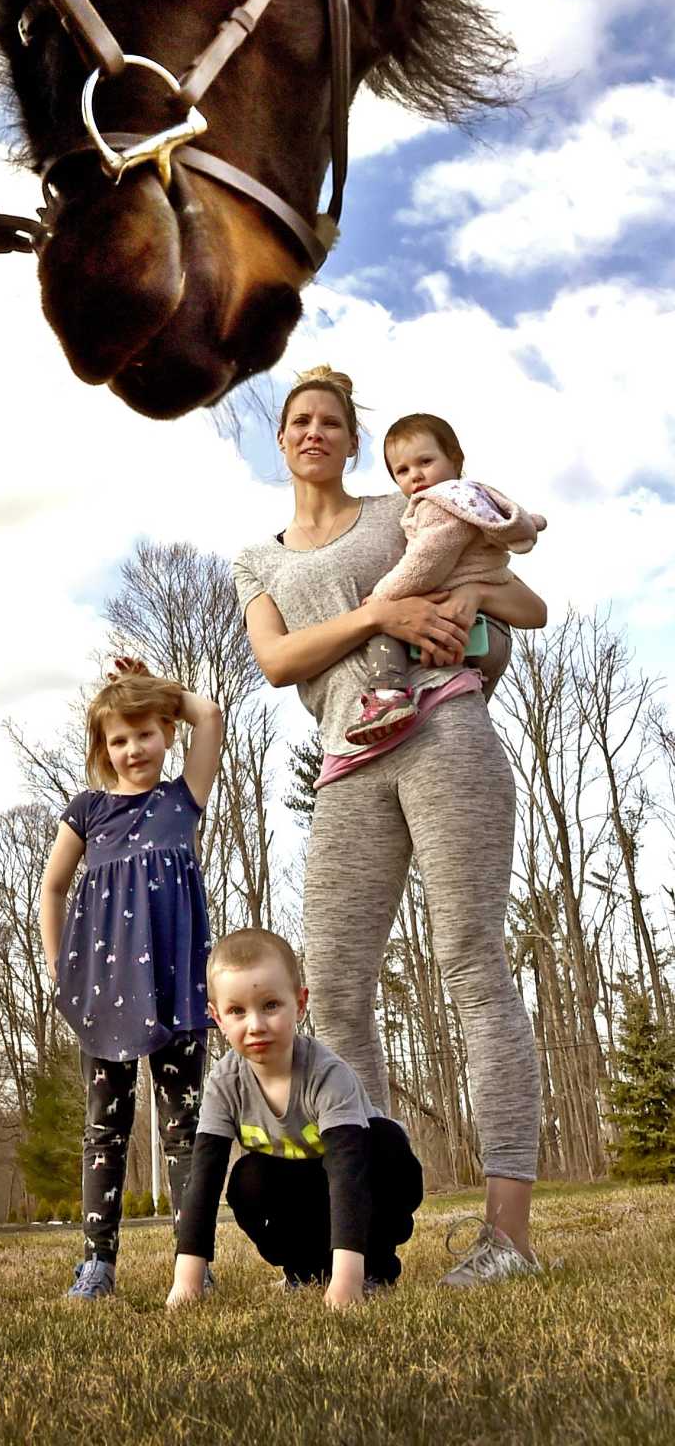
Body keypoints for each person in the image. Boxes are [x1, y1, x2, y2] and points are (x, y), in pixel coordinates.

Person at [234, 366, 546, 1286]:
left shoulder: (402, 511)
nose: (314, 431)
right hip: (346, 760)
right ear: (280, 438)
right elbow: (276, 661)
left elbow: (524, 602)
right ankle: (362, 1241)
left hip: (442, 731)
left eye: (331, 421)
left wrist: (471, 600)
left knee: (470, 961)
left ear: (351, 440)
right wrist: (378, 610)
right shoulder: (259, 560)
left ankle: (508, 1237)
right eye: (299, 419)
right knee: (332, 991)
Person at [39, 668, 223, 1301]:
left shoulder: (182, 800)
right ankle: (97, 1264)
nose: (134, 749)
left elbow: (211, 716)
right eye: (118, 739)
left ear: (167, 732)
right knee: (104, 1130)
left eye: (145, 733)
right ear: (102, 748)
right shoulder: (88, 812)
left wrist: (159, 690)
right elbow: (53, 887)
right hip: (104, 992)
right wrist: (59, 965)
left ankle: (192, 1265)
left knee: (184, 1128)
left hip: (179, 988)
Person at [167, 929, 423, 1310]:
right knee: (248, 1179)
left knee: (385, 1140)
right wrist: (186, 1283)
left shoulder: (327, 1075)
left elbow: (349, 1178)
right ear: (216, 1017)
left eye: (270, 1005)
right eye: (237, 1011)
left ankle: (373, 1268)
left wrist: (346, 1283)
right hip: (300, 1192)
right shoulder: (224, 1084)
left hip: (361, 1184)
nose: (255, 1024)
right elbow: (203, 1181)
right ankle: (303, 1271)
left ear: (300, 1004)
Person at [345, 412, 546, 746]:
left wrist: (380, 599)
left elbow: (426, 564)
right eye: (402, 471)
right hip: (490, 629)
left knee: (383, 626)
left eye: (425, 461)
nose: (416, 475)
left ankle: (388, 696)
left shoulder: (441, 504)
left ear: (455, 459)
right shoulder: (472, 501)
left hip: (473, 624)